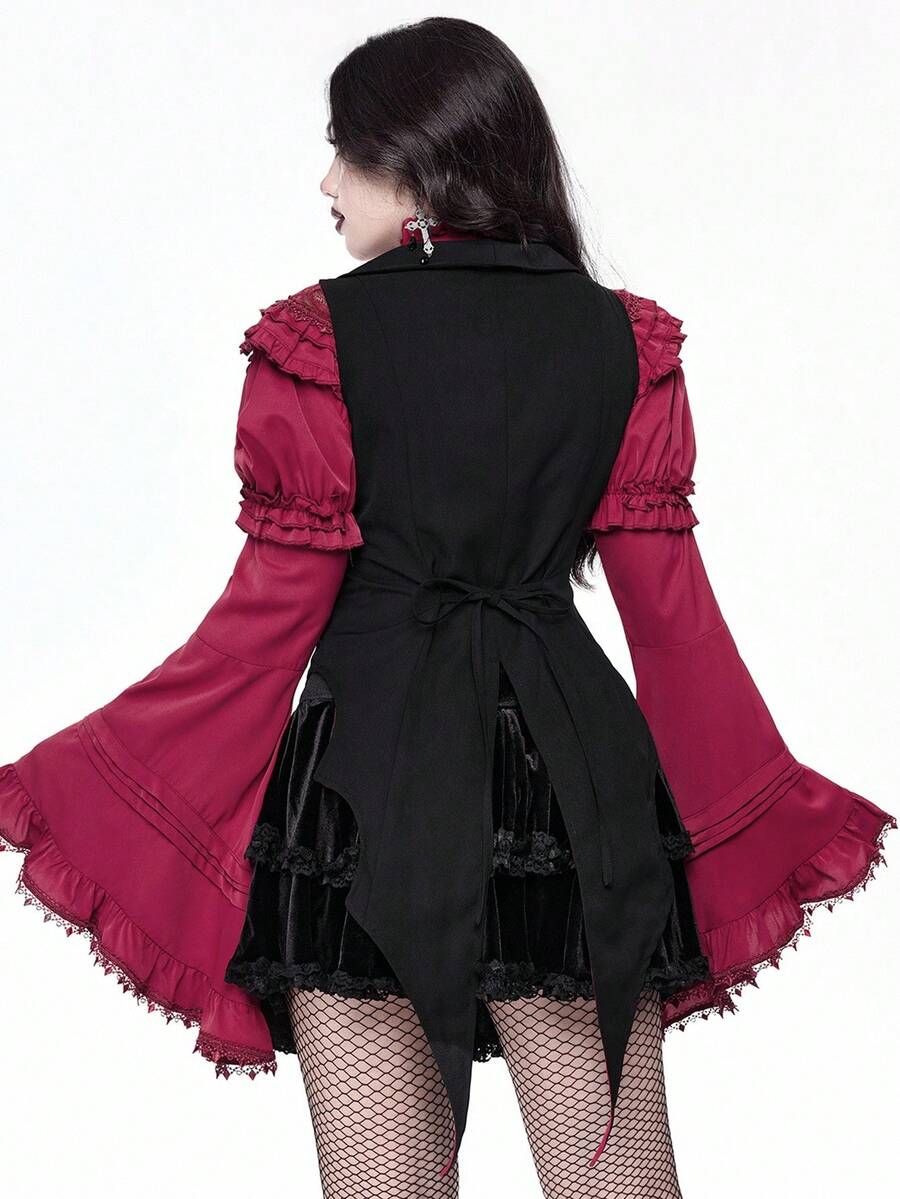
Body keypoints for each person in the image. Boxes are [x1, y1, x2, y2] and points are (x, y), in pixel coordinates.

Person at [1, 17, 894, 1199]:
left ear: (421, 162)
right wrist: (756, 809)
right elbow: (674, 628)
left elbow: (259, 631)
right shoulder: (622, 343)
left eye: (346, 149)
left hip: (360, 792)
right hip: (569, 788)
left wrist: (89, 773)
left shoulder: (317, 342)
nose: (327, 182)